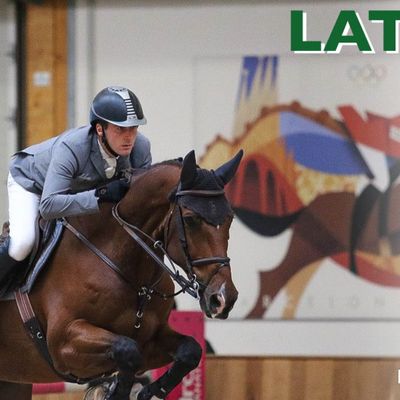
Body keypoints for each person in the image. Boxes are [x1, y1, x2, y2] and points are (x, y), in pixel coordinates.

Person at [0, 85, 152, 284]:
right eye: (120, 129)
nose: (129, 137)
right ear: (100, 129)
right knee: (22, 244)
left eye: (133, 128)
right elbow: (48, 206)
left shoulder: (141, 147)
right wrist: (100, 195)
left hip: (70, 191)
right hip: (31, 183)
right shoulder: (72, 148)